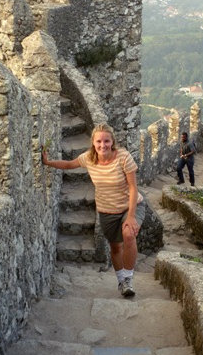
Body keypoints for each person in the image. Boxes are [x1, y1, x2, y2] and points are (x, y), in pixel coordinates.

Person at [42, 123, 145, 299]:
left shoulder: (123, 157)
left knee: (129, 234)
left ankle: (128, 279)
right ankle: (121, 281)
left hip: (130, 206)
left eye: (106, 141)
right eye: (99, 141)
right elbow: (68, 165)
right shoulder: (88, 158)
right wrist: (47, 162)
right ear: (93, 143)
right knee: (114, 246)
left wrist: (131, 216)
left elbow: (133, 188)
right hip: (106, 211)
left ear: (112, 142)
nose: (102, 145)